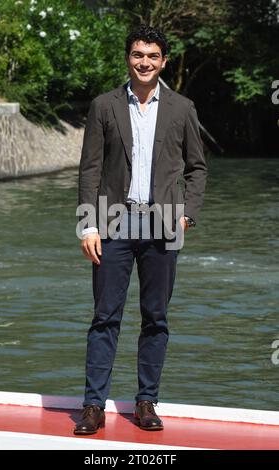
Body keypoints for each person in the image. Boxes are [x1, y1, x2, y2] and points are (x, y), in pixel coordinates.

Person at [75, 25, 207, 435]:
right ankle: (94, 406)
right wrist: (87, 226)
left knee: (156, 318)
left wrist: (186, 215)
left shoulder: (182, 108)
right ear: (128, 58)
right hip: (113, 221)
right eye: (137, 54)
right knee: (104, 318)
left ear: (163, 61)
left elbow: (197, 168)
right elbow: (90, 170)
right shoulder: (103, 106)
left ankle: (146, 401)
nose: (144, 62)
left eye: (152, 56)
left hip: (165, 224)